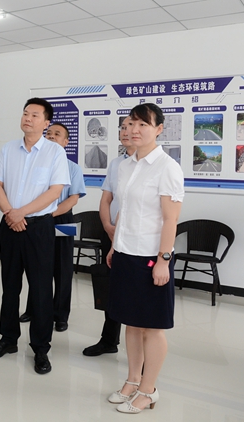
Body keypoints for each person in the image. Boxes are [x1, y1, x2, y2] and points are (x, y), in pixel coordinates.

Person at [106, 103, 184, 414]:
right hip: (126, 252)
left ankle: (148, 390)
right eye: (130, 124)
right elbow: (124, 212)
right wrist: (115, 246)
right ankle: (132, 380)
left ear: (159, 129)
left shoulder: (167, 167)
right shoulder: (126, 165)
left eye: (142, 124)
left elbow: (170, 219)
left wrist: (164, 260)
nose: (134, 130)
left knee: (152, 327)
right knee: (131, 322)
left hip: (152, 257)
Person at [0, 98, 70, 375]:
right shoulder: (8, 149)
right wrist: (11, 213)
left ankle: (41, 348)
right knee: (9, 285)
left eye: (34, 115)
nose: (27, 118)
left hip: (39, 226)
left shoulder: (55, 152)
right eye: (25, 113)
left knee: (41, 289)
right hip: (9, 224)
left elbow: (55, 191)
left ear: (46, 122)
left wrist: (21, 212)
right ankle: (8, 339)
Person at [18, 122, 85, 332]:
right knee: (36, 266)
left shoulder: (73, 168)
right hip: (37, 220)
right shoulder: (35, 163)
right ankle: (33, 309)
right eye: (49, 133)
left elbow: (73, 199)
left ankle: (60, 315)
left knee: (62, 269)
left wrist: (48, 214)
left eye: (57, 134)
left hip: (62, 220)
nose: (52, 136)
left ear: (66, 142)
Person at [83, 116, 135, 357]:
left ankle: (141, 354)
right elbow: (106, 199)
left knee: (136, 293)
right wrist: (107, 225)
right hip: (112, 234)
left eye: (131, 126)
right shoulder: (116, 163)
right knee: (111, 288)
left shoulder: (155, 164)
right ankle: (109, 340)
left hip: (136, 238)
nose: (126, 131)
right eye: (122, 127)